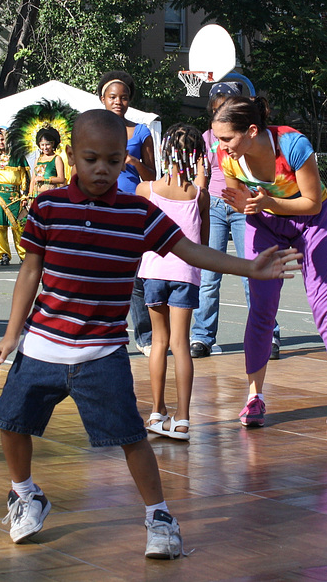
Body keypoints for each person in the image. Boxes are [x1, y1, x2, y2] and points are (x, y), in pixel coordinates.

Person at [0, 109, 302, 558]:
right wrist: (12, 336)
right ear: (72, 156)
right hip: (42, 346)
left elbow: (190, 250)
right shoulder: (48, 207)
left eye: (113, 161)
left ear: (123, 163)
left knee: (132, 439)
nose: (102, 169)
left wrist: (249, 267)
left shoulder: (137, 213)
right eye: (91, 159)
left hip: (102, 353)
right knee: (11, 425)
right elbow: (30, 271)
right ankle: (25, 493)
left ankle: (160, 516)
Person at [214, 96, 327, 428]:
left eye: (226, 138)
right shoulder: (228, 157)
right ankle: (254, 397)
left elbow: (310, 203)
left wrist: (267, 202)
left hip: (310, 221)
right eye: (218, 138)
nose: (221, 146)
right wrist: (245, 205)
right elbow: (244, 204)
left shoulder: (293, 145)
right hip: (266, 224)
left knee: (324, 301)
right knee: (262, 306)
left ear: (251, 131)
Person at [190, 82, 281, 360]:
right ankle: (202, 336)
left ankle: (268, 334)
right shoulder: (207, 138)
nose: (221, 113)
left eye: (226, 108)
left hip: (244, 204)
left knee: (251, 273)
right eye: (216, 109)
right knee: (208, 275)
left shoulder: (250, 138)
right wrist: (199, 202)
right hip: (216, 206)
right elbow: (201, 174)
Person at [137, 124, 210, 440]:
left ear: (165, 154)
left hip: (153, 272)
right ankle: (183, 418)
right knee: (181, 344)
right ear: (197, 159)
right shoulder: (199, 196)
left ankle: (157, 411)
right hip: (186, 275)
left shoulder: (146, 190)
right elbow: (202, 243)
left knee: (159, 341)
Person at [98, 70, 155, 356]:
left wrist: (132, 161)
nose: (118, 102)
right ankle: (104, 335)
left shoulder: (141, 131)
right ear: (102, 100)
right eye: (112, 97)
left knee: (135, 278)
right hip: (100, 206)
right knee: (101, 274)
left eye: (124, 97)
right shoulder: (94, 129)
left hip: (133, 208)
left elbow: (153, 174)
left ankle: (145, 336)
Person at [0, 128, 30, 265]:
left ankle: (23, 254)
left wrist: (25, 196)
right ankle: (3, 255)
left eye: (3, 139)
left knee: (18, 226)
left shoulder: (18, 157)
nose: (1, 142)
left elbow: (25, 177)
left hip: (14, 196)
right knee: (0, 227)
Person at [29, 128, 66, 198]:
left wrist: (44, 179)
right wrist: (30, 195)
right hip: (36, 196)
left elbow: (61, 179)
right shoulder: (37, 160)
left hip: (50, 196)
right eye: (42, 145)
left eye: (47, 144)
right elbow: (33, 179)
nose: (45, 148)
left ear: (52, 144)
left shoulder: (57, 159)